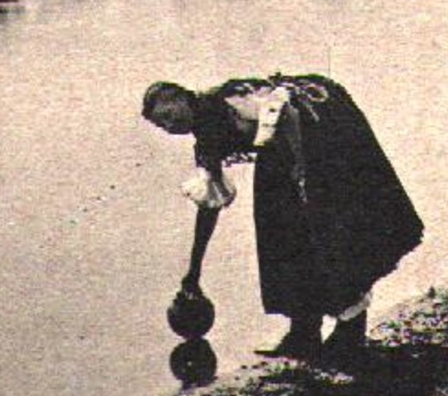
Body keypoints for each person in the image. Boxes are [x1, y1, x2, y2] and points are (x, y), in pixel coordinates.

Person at [142, 73, 422, 365]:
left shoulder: (233, 103)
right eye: (162, 125)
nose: (170, 126)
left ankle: (350, 333)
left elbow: (286, 114)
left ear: (182, 98)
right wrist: (194, 272)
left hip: (322, 132)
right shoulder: (206, 139)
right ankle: (304, 331)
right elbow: (210, 205)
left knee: (331, 229)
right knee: (279, 235)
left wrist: (302, 171)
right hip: (278, 151)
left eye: (169, 115)